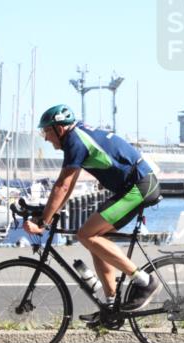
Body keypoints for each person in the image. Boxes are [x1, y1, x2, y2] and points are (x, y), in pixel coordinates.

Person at [24, 104, 160, 321]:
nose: (46, 138)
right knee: (95, 239)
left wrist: (43, 222)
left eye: (47, 131)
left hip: (140, 187)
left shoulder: (75, 141)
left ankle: (145, 281)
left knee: (86, 235)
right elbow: (68, 185)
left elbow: (62, 186)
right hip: (132, 187)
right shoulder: (76, 137)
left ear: (60, 128)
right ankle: (111, 306)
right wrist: (50, 213)